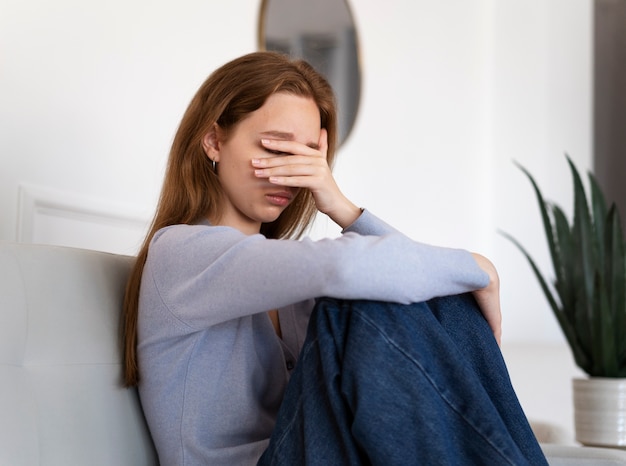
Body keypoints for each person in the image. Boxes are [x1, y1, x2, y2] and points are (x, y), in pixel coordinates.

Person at [122, 51, 547, 465]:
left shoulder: (283, 280)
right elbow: (351, 268)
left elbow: (406, 281)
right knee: (364, 297)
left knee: (437, 296)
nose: (292, 172)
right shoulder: (180, 252)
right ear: (214, 141)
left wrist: (341, 205)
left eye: (308, 155)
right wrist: (479, 268)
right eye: (275, 147)